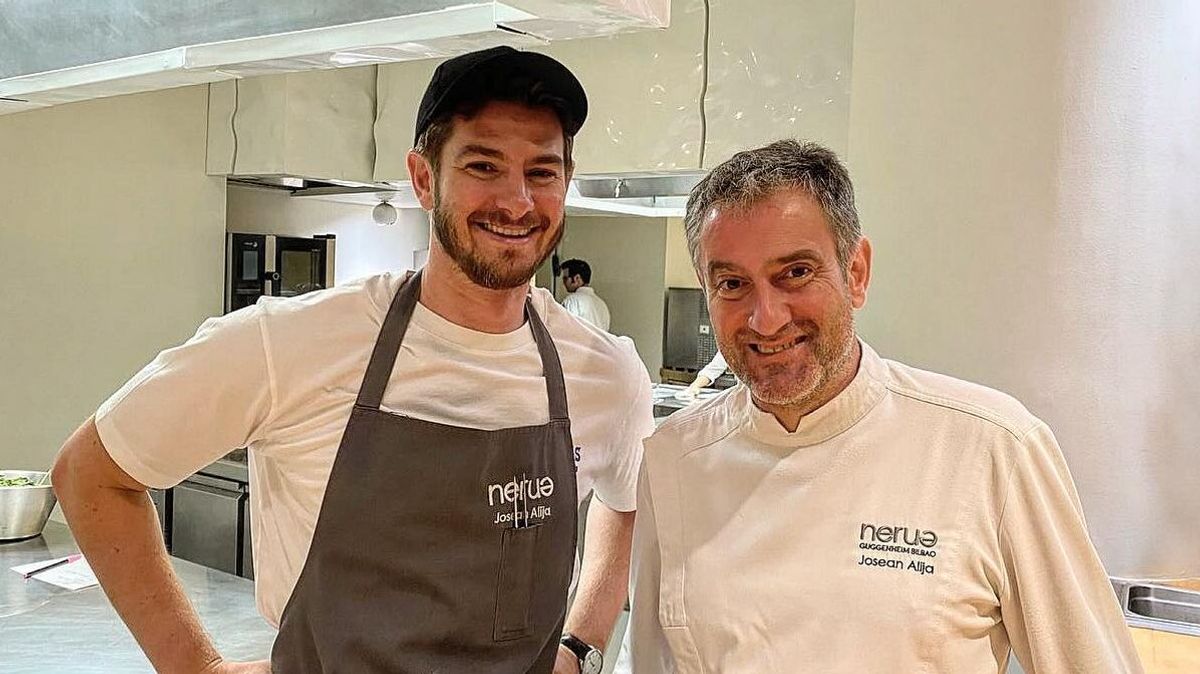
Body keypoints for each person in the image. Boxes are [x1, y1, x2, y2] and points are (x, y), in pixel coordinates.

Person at [52, 46, 654, 674]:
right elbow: (89, 474)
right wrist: (196, 667)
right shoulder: (290, 343)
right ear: (424, 178)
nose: (517, 201)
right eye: (483, 164)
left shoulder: (604, 375)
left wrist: (580, 648)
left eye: (542, 171)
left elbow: (626, 501)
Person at [628, 140, 1141, 672]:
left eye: (796, 273)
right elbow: (650, 660)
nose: (766, 318)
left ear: (856, 273)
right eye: (732, 284)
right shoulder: (674, 457)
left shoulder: (994, 448)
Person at [560, 258, 611, 331]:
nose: (564, 283)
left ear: (577, 278)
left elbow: (565, 331)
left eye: (565, 278)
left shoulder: (571, 302)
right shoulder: (602, 305)